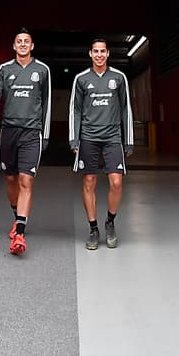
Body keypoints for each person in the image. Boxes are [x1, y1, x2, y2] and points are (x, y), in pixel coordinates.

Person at [0, 29, 52, 255]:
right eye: (19, 42)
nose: (23, 44)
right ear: (14, 46)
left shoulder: (42, 70)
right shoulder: (5, 69)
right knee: (12, 179)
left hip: (32, 131)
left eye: (26, 41)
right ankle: (17, 217)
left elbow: (48, 102)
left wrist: (46, 134)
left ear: (32, 46)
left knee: (26, 180)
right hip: (9, 131)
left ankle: (20, 233)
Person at [69, 38, 133, 250]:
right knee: (89, 182)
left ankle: (110, 222)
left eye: (102, 51)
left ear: (107, 54)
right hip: (88, 137)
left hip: (113, 137)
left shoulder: (119, 77)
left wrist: (129, 140)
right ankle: (94, 229)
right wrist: (74, 138)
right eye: (95, 51)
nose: (99, 55)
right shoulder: (81, 79)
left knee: (116, 182)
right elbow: (75, 110)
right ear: (90, 54)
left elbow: (126, 109)